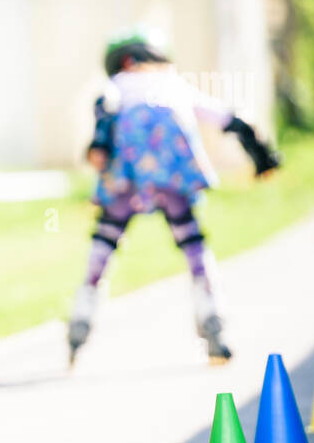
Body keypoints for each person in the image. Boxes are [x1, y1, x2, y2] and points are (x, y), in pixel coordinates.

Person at [67, 30, 281, 366]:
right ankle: (212, 318)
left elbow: (103, 114)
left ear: (122, 62)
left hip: (126, 176)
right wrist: (262, 155)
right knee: (192, 241)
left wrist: (98, 145)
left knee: (105, 240)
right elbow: (231, 117)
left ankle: (81, 317)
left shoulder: (116, 86)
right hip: (174, 173)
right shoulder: (173, 84)